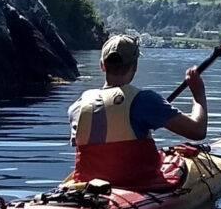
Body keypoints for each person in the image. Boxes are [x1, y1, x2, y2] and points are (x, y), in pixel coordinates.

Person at [65, 34, 208, 188]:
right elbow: (198, 131)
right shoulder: (145, 100)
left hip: (88, 186)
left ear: (102, 65)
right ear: (135, 66)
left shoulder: (77, 107)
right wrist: (198, 93)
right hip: (139, 185)